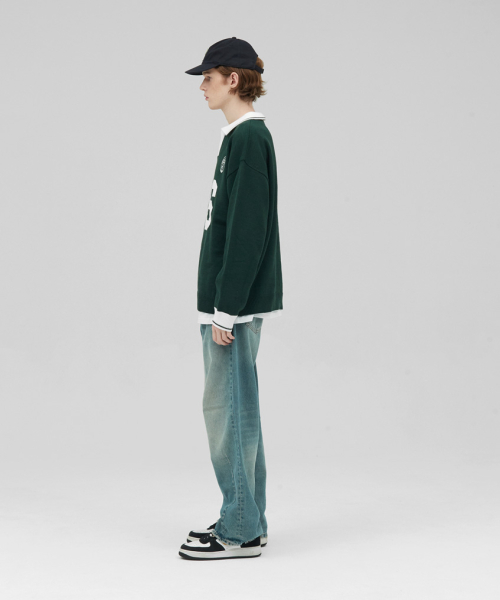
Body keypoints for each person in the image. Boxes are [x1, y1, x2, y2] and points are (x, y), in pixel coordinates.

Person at [178, 37, 283, 561]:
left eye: (208, 77)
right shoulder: (238, 138)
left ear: (233, 79)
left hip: (231, 309)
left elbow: (247, 231)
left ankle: (237, 530)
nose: (202, 87)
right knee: (237, 411)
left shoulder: (248, 138)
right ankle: (249, 520)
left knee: (228, 414)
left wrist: (226, 308)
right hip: (228, 304)